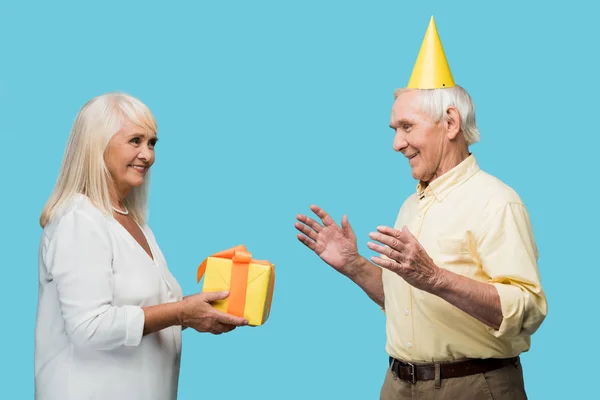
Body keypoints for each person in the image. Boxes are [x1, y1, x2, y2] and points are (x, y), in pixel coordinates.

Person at [295, 17, 547, 400]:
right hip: (398, 385)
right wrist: (354, 265)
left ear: (449, 123)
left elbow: (527, 311)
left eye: (407, 127)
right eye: (394, 130)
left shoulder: (496, 202)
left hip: (473, 387)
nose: (397, 143)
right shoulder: (412, 205)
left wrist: (435, 277)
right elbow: (409, 306)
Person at [34, 92, 249, 400]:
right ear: (97, 144)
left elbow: (140, 312)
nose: (147, 155)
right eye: (135, 141)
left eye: (152, 143)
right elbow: (89, 327)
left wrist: (197, 310)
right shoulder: (78, 220)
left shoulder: (134, 224)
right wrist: (180, 313)